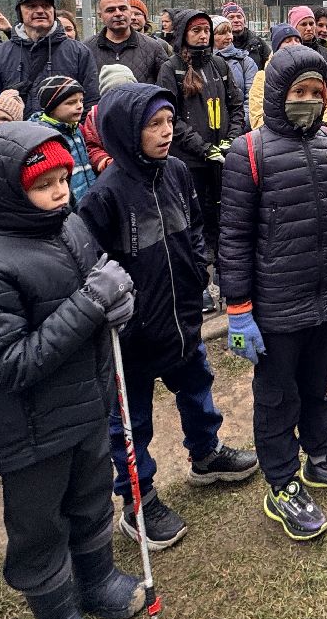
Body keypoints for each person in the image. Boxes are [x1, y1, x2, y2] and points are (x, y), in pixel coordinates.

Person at [0, 123, 148, 619]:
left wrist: (116, 302)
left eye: (63, 177)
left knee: (90, 500)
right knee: (40, 529)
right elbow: (5, 365)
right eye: (43, 184)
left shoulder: (70, 224)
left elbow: (96, 277)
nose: (60, 190)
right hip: (32, 431)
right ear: (6, 190)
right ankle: (57, 613)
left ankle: (98, 580)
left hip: (87, 404)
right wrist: (90, 305)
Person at [79, 84, 259, 550]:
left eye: (168, 123)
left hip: (183, 321)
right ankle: (139, 500)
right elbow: (90, 265)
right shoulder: (104, 195)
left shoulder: (177, 172)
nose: (165, 133)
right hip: (134, 335)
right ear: (124, 132)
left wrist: (198, 267)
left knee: (198, 389)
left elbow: (196, 224)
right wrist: (121, 310)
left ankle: (206, 454)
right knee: (131, 421)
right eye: (152, 125)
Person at [219, 46, 327, 541]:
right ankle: (282, 480)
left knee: (317, 384)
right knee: (276, 396)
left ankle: (320, 454)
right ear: (276, 95)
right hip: (274, 306)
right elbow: (233, 237)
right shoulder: (249, 153)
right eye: (299, 92)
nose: (309, 100)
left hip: (326, 295)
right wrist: (239, 310)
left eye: (317, 92)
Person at [156, 10, 247, 310]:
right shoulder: (172, 69)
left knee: (224, 219)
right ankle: (200, 283)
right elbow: (170, 118)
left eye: (206, 29)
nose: (203, 35)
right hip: (189, 162)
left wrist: (230, 140)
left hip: (221, 159)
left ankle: (226, 274)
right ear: (183, 33)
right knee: (193, 222)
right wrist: (203, 147)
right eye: (196, 30)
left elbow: (235, 105)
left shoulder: (219, 63)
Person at [0, 0, 100, 118]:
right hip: (16, 134)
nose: (40, 11)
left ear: (53, 12)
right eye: (31, 6)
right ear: (19, 13)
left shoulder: (79, 52)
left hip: (63, 135)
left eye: (46, 6)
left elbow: (91, 101)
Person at [250, 25, 327, 130]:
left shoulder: (311, 73)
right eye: (287, 41)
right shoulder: (263, 77)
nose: (294, 44)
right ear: (276, 47)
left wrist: (324, 125)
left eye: (297, 40)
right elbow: (257, 115)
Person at [30, 75, 98, 204]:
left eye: (81, 101)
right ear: (51, 107)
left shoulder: (77, 129)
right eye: (71, 102)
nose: (79, 106)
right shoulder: (45, 136)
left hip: (88, 200)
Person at [87, 0, 167, 83]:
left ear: (129, 12)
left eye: (123, 8)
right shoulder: (87, 49)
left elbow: (166, 87)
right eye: (110, 10)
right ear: (100, 16)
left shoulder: (153, 48)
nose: (118, 13)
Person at [82, 65, 138, 174]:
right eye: (116, 93)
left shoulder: (140, 111)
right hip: (110, 174)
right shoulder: (95, 115)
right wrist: (105, 162)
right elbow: (92, 147)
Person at [213, 15, 259, 110]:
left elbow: (251, 100)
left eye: (229, 32)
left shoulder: (246, 62)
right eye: (222, 33)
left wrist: (239, 123)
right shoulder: (203, 63)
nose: (229, 37)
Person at [288, 4, 327, 87]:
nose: (309, 28)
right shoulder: (286, 55)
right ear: (294, 27)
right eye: (304, 24)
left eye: (311, 24)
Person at [223, 2, 270, 69]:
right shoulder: (220, 45)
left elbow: (270, 65)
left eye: (239, 17)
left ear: (244, 20)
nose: (236, 20)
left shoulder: (258, 43)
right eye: (231, 17)